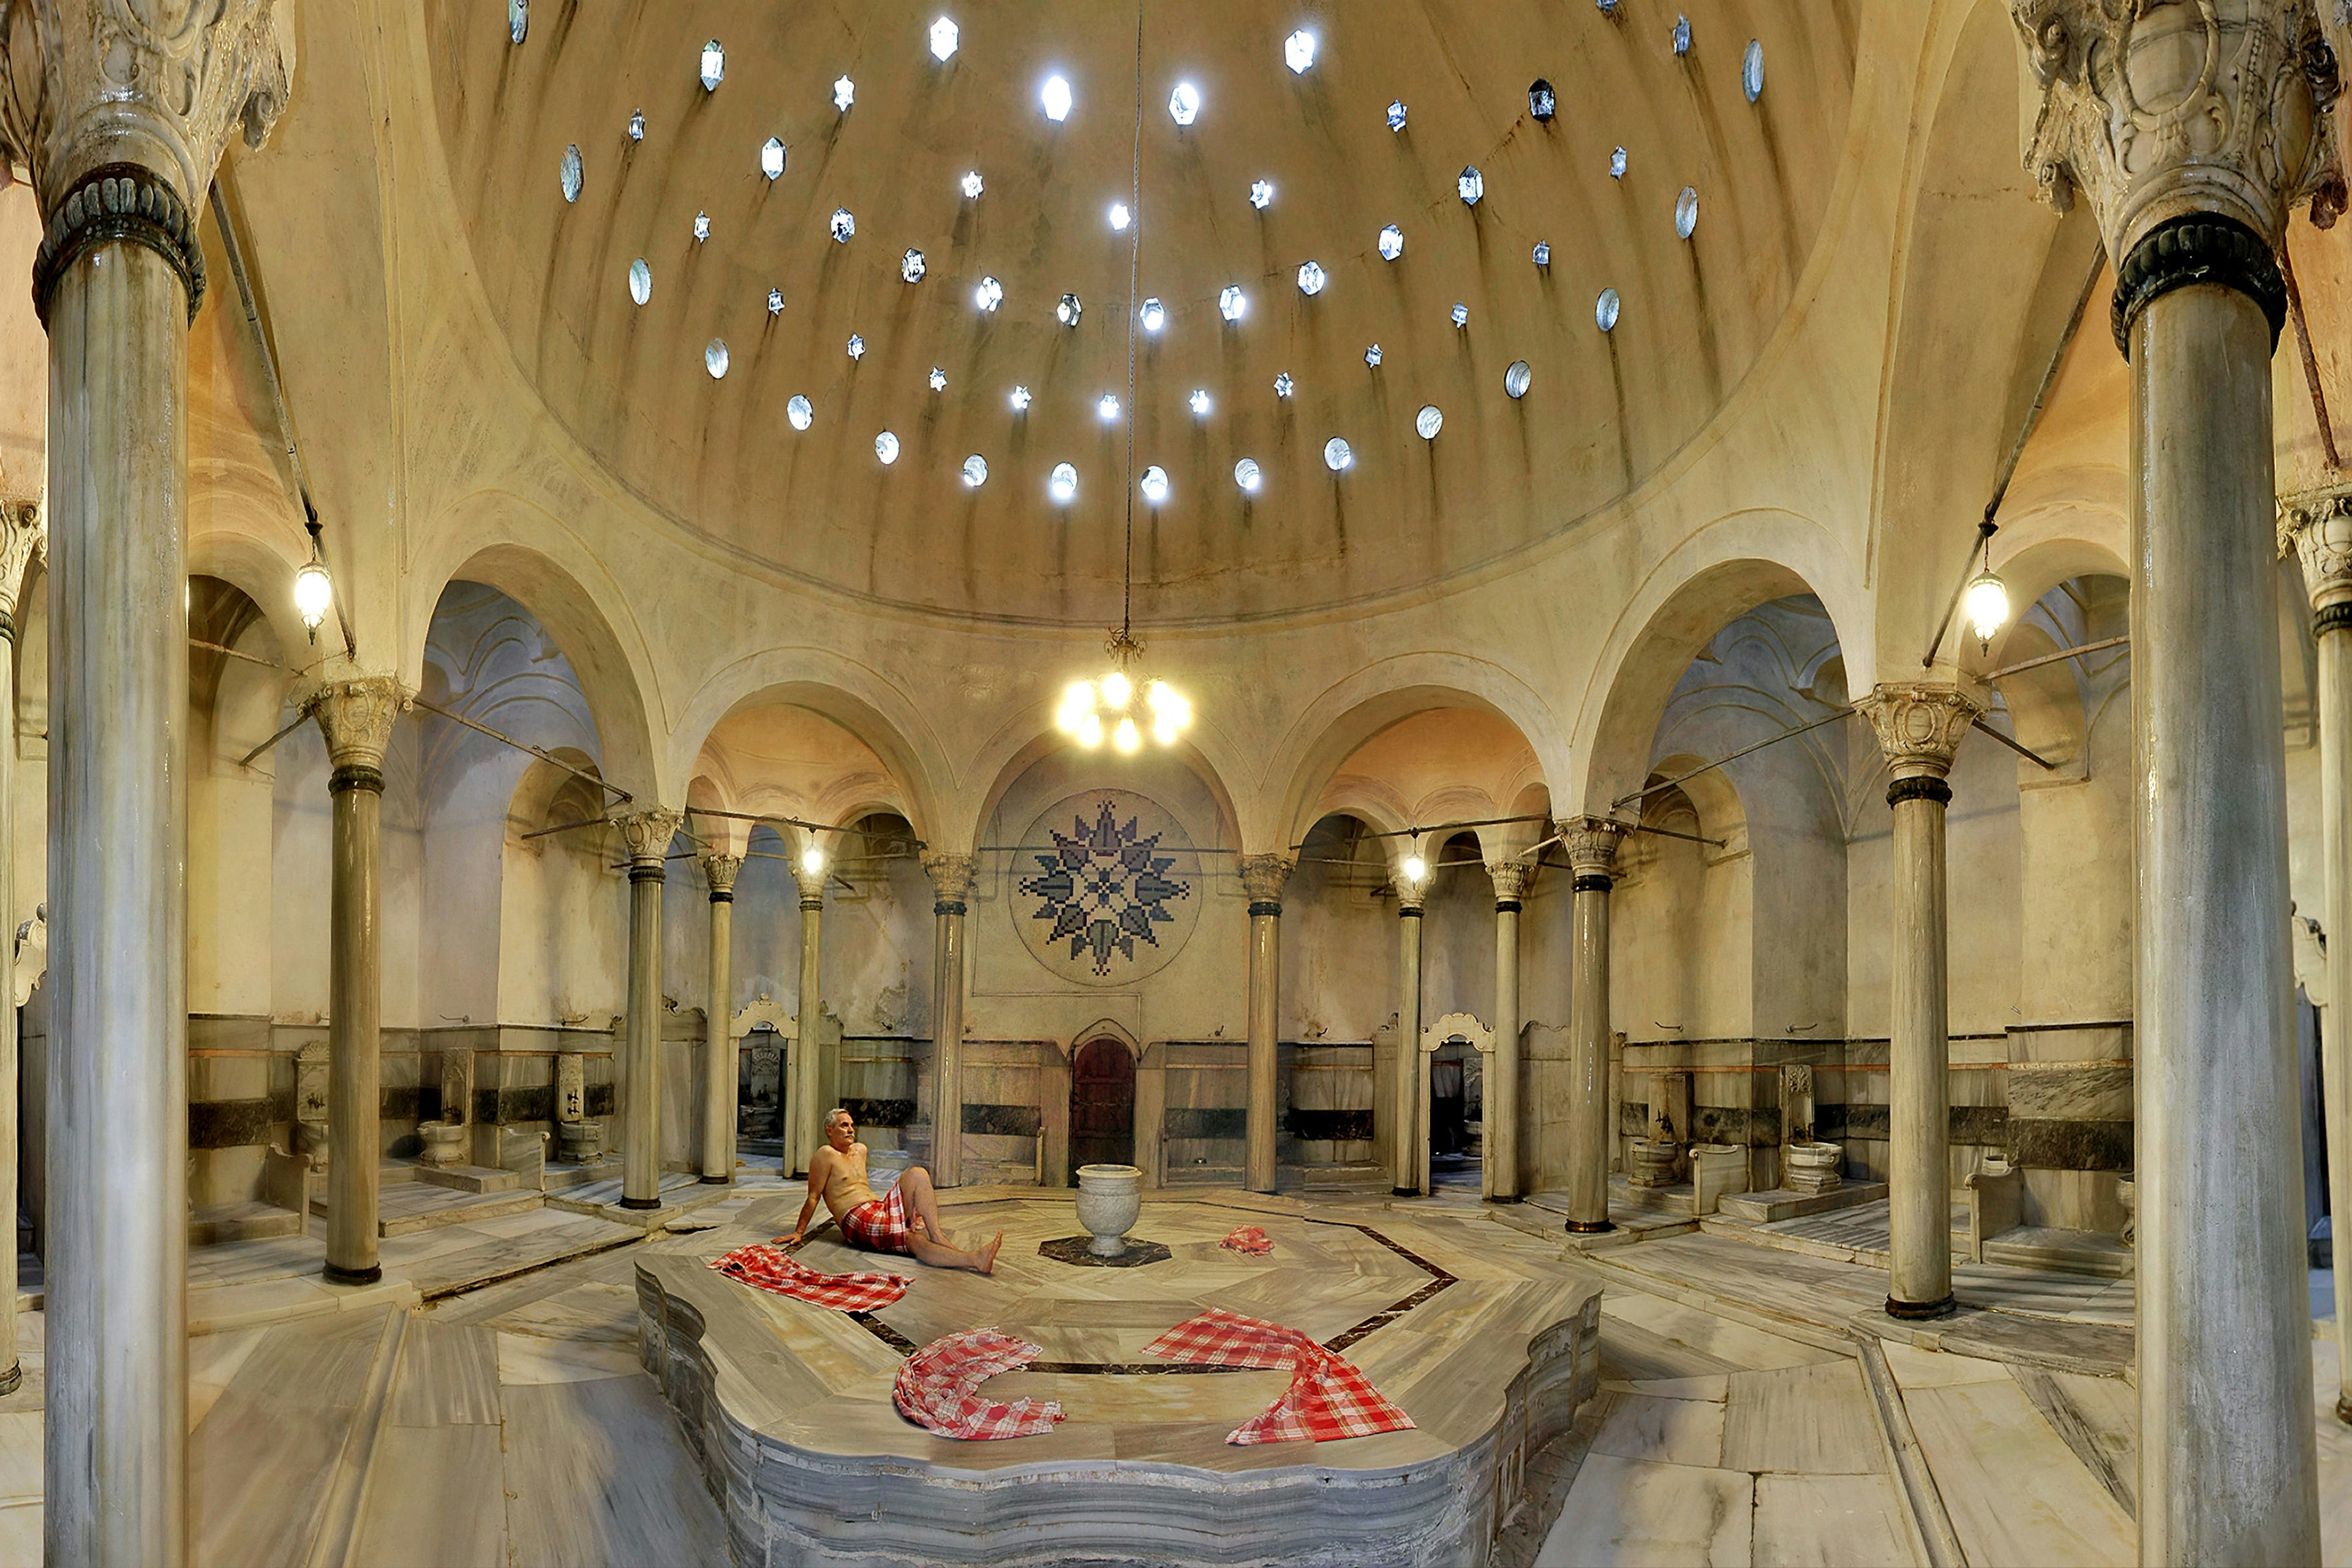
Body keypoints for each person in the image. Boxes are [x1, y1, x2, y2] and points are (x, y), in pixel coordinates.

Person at [785, 1107, 1000, 1273]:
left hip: (877, 1208)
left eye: (852, 1125)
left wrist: (913, 1209)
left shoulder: (860, 1150)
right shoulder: (825, 1154)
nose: (851, 1129)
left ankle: (937, 1235)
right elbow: (813, 1197)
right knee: (912, 1239)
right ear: (829, 1131)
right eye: (843, 1126)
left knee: (917, 1173)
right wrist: (799, 1232)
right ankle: (973, 1259)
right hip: (856, 1218)